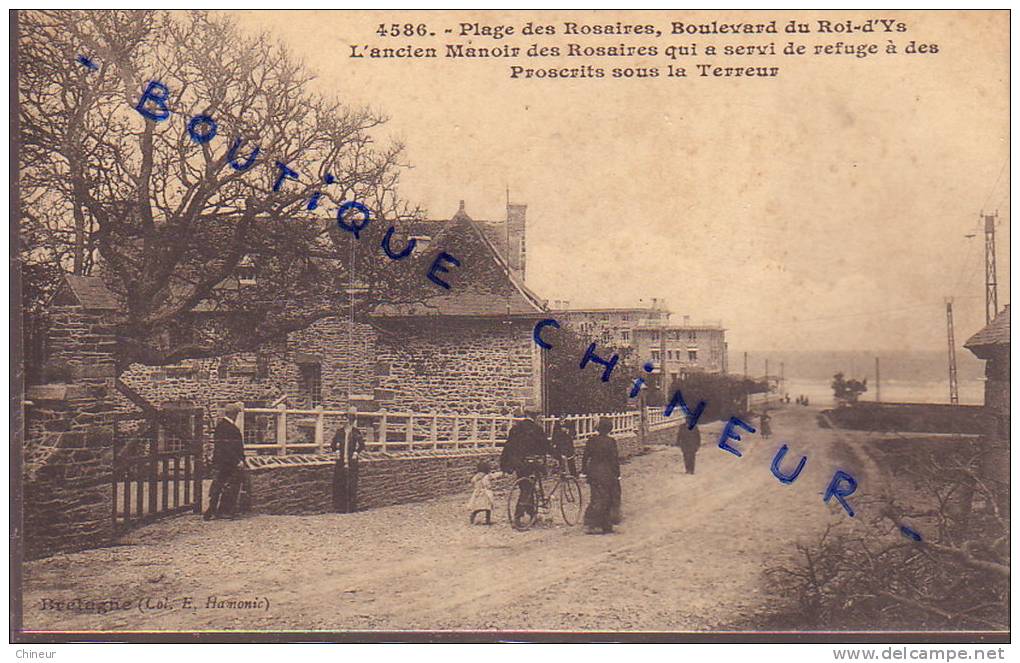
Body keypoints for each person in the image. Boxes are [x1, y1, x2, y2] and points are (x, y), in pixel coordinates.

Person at [500, 407, 553, 528]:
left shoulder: (515, 428)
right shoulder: (537, 429)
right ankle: (518, 516)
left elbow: (508, 447)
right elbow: (546, 446)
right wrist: (558, 456)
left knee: (526, 486)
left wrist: (504, 465)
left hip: (518, 463)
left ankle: (531, 513)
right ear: (534, 416)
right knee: (527, 489)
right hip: (531, 463)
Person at [204, 402, 246, 520]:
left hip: (224, 462)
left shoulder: (222, 426)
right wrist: (238, 460)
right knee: (227, 486)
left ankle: (216, 510)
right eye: (236, 414)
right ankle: (219, 511)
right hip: (227, 462)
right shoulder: (227, 427)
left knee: (220, 486)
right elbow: (227, 447)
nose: (237, 416)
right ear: (233, 414)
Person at [581, 417, 621, 534]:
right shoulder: (611, 441)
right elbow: (614, 459)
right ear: (609, 429)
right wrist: (617, 474)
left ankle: (591, 524)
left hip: (593, 472)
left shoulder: (591, 440)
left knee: (595, 497)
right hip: (607, 473)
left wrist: (584, 471)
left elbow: (585, 457)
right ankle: (605, 525)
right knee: (607, 498)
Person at [330, 407, 365, 513]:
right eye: (345, 419)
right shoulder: (340, 432)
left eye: (348, 419)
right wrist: (336, 451)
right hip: (341, 461)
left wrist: (356, 452)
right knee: (340, 483)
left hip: (352, 461)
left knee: (351, 483)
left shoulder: (356, 432)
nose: (346, 421)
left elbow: (362, 445)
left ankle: (351, 507)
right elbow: (332, 444)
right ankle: (340, 508)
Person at [467, 460, 499, 525]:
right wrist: (502, 473)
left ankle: (472, 518)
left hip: (478, 493)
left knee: (477, 508)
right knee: (488, 508)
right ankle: (488, 521)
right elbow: (494, 475)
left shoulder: (476, 476)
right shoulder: (487, 476)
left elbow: (472, 481)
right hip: (486, 494)